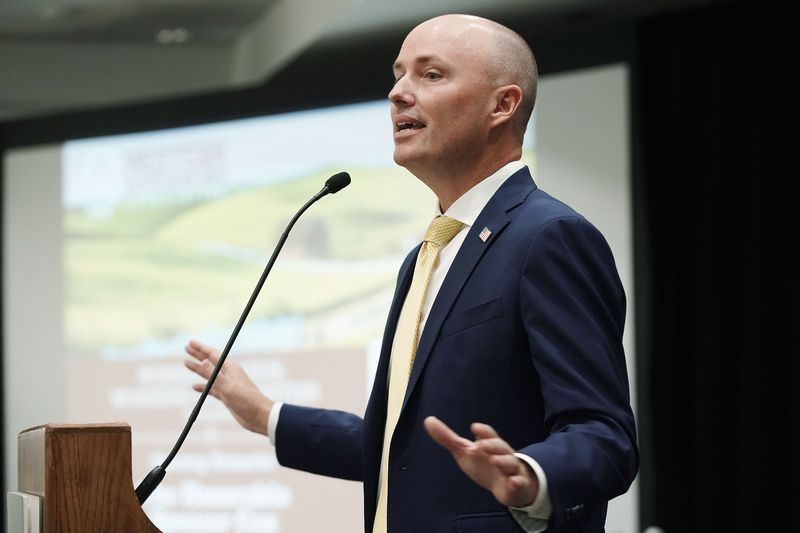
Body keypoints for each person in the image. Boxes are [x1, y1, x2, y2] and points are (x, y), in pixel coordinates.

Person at [184, 13, 638, 533]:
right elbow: (403, 453)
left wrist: (531, 476)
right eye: (398, 75)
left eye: (431, 74)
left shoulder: (548, 237)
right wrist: (267, 414)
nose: (398, 93)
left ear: (503, 105)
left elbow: (604, 435)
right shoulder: (427, 254)